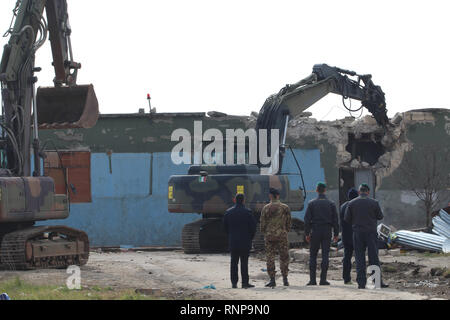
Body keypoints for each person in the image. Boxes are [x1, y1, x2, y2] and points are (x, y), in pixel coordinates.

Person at [344, 183, 388, 289]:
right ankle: (377, 282)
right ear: (368, 192)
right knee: (373, 257)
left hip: (358, 233)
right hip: (371, 233)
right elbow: (380, 216)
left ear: (359, 192)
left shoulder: (351, 203)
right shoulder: (374, 202)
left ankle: (361, 283)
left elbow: (347, 219)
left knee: (359, 258)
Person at [304, 182, 339, 286]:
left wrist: (307, 233)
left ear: (316, 190)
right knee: (325, 255)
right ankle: (323, 279)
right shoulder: (331, 203)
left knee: (313, 256)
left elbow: (307, 220)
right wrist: (336, 234)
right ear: (325, 190)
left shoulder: (311, 203)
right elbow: (335, 221)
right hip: (327, 231)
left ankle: (312, 280)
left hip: (315, 230)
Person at [223, 193, 257, 289]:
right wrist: (250, 237)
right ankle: (245, 283)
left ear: (235, 200)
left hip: (233, 241)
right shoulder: (248, 212)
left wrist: (230, 236)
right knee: (244, 262)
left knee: (234, 262)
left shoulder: (228, 212)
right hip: (245, 241)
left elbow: (225, 227)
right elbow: (253, 227)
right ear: (243, 200)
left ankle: (234, 283)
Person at [260, 187, 292, 287]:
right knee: (284, 257)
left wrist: (265, 232)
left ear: (270, 196)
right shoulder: (285, 207)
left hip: (269, 236)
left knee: (270, 257)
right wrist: (285, 231)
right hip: (282, 235)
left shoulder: (265, 208)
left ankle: (272, 280)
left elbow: (262, 224)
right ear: (278, 195)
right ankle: (285, 279)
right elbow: (289, 223)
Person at [340, 188, 359, 284]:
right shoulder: (357, 206)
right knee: (359, 257)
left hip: (346, 236)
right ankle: (359, 278)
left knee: (347, 257)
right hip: (356, 235)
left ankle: (346, 278)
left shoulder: (343, 206)